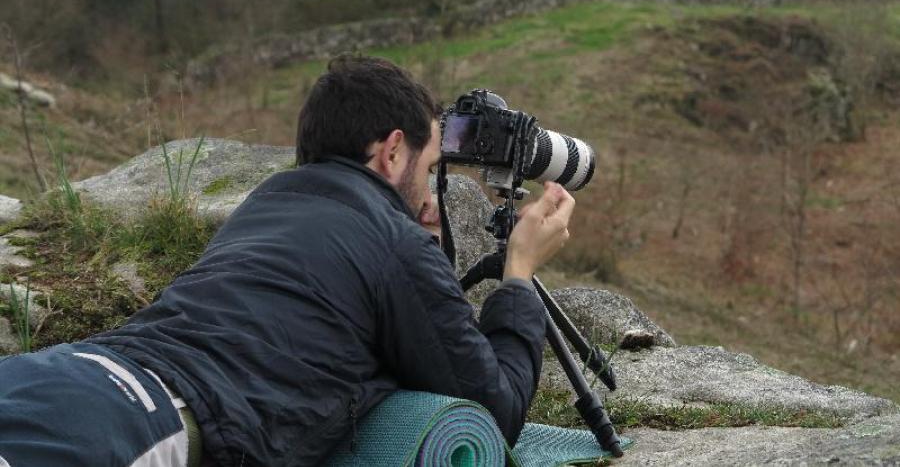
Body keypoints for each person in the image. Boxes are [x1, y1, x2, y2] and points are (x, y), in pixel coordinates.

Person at [0, 55, 575, 467]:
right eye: (426, 169)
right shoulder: (393, 243)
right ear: (393, 149)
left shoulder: (266, 201)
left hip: (63, 370)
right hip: (138, 420)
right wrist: (518, 275)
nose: (428, 196)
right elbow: (494, 409)